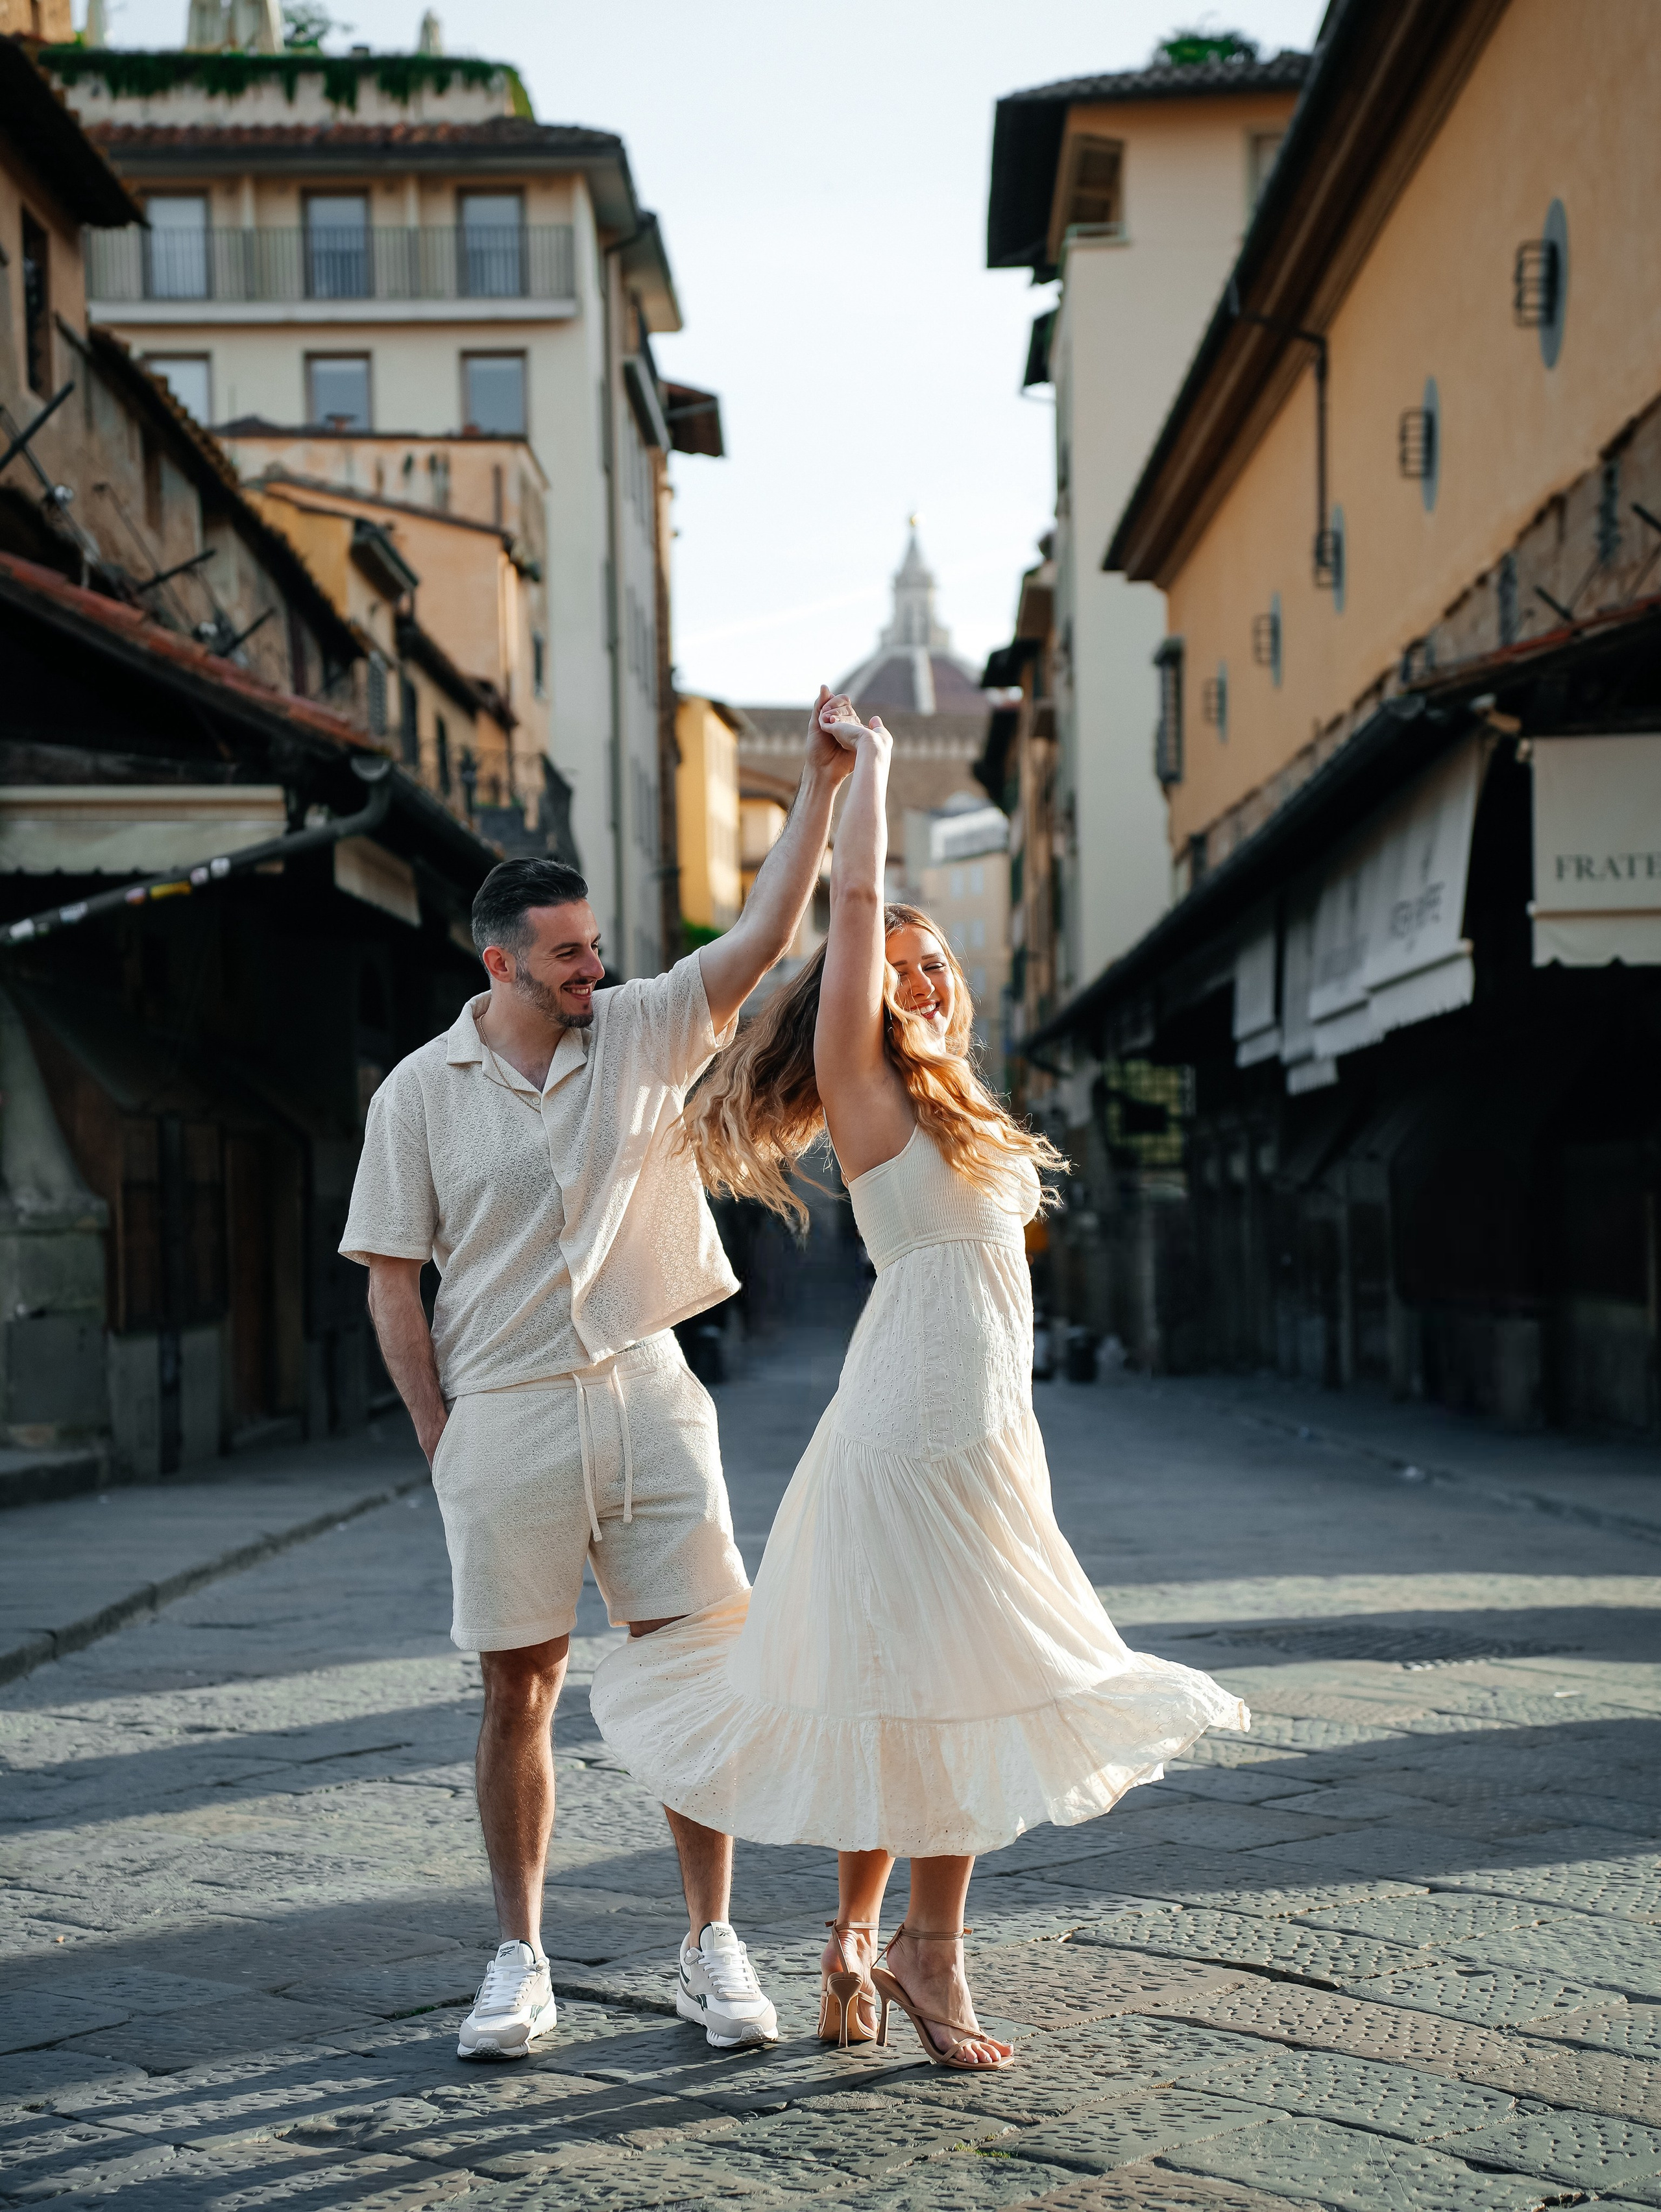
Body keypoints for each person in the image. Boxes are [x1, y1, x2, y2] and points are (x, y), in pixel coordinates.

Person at [590, 703, 1248, 2071]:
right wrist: (868, 777)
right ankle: (924, 1960)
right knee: (951, 1682)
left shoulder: (959, 1101)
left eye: (933, 960)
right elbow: (852, 900)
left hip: (979, 1431)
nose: (921, 978)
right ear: (858, 991)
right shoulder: (863, 1082)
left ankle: (853, 1941)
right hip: (905, 1433)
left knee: (903, 1682)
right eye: (895, 966)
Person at [340, 690, 856, 2060]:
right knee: (519, 1691)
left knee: (697, 1671)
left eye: (596, 948)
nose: (593, 968)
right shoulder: (417, 1094)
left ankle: (711, 1942)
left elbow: (758, 937)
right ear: (501, 961)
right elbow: (393, 1278)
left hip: (647, 1391)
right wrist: (442, 1437)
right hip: (501, 1414)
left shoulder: (636, 1028)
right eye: (567, 954)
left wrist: (816, 789)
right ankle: (518, 1959)